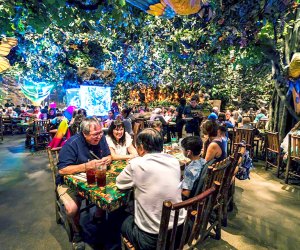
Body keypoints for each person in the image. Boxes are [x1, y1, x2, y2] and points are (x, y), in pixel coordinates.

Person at [117, 128, 186, 250]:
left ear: (141, 147)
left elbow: (120, 183)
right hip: (180, 231)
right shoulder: (174, 161)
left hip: (151, 240)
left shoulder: (137, 164)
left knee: (119, 218)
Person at [56, 117, 112, 249]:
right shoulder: (72, 143)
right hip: (70, 182)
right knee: (72, 209)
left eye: (100, 133)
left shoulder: (101, 138)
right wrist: (86, 166)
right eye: (95, 134)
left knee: (109, 192)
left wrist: (107, 159)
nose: (99, 136)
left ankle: (98, 216)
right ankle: (77, 232)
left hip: (94, 177)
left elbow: (109, 155)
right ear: (84, 134)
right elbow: (63, 170)